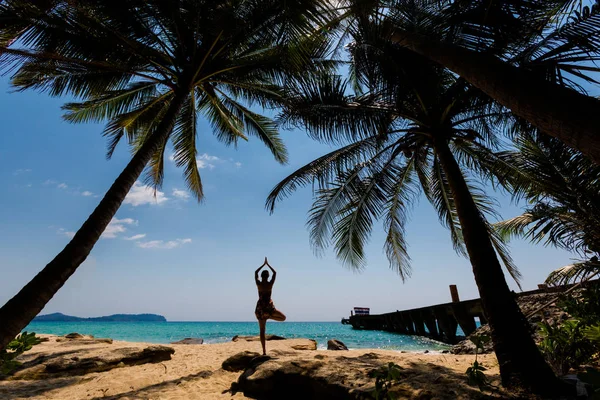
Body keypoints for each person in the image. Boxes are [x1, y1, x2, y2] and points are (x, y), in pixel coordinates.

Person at [255, 257, 286, 355]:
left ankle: (264, 351)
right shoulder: (270, 284)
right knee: (283, 318)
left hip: (260, 309)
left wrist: (263, 265)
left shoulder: (259, 284)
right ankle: (270, 316)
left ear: (262, 276)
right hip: (268, 308)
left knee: (262, 331)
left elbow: (255, 273)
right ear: (268, 276)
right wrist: (267, 264)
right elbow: (275, 273)